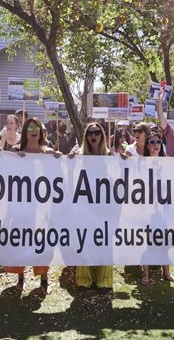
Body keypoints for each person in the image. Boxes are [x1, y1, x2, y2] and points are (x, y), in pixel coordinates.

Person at [4, 117, 59, 294]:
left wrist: (61, 158)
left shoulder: (49, 152)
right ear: (25, 132)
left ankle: (44, 279)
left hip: (42, 207)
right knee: (20, 240)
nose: (34, 131)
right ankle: (21, 278)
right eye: (30, 128)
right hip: (21, 207)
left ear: (41, 132)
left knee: (41, 241)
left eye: (37, 127)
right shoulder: (15, 151)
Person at [71, 122, 115, 292]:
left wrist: (124, 161)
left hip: (105, 207)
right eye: (90, 133)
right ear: (86, 136)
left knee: (105, 241)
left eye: (97, 132)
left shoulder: (110, 155)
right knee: (85, 241)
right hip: (85, 206)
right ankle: (84, 280)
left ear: (102, 135)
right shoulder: (78, 155)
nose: (94, 135)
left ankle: (104, 281)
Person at [141, 132, 174, 285]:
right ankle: (145, 274)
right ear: (146, 145)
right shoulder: (140, 162)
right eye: (152, 141)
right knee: (146, 241)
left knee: (164, 239)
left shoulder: (168, 162)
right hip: (146, 206)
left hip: (164, 207)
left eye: (158, 141)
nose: (156, 144)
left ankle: (167, 272)